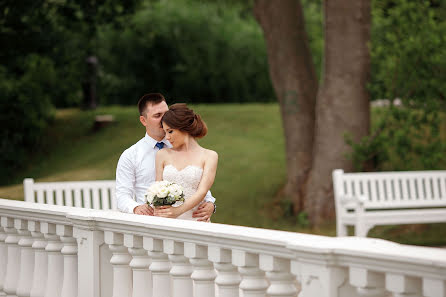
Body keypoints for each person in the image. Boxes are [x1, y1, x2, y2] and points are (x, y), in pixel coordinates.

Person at [115, 93, 216, 221]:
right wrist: (136, 208)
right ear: (143, 120)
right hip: (152, 221)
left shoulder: (182, 144)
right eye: (158, 116)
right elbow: (122, 195)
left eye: (166, 113)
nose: (164, 120)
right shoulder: (130, 155)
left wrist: (211, 204)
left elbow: (196, 182)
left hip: (192, 217)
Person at [153, 103, 218, 221]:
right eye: (165, 132)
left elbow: (202, 191)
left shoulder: (210, 156)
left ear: (183, 127)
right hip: (167, 220)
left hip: (196, 220)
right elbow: (158, 188)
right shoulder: (162, 155)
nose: (167, 137)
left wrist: (178, 211)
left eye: (170, 131)